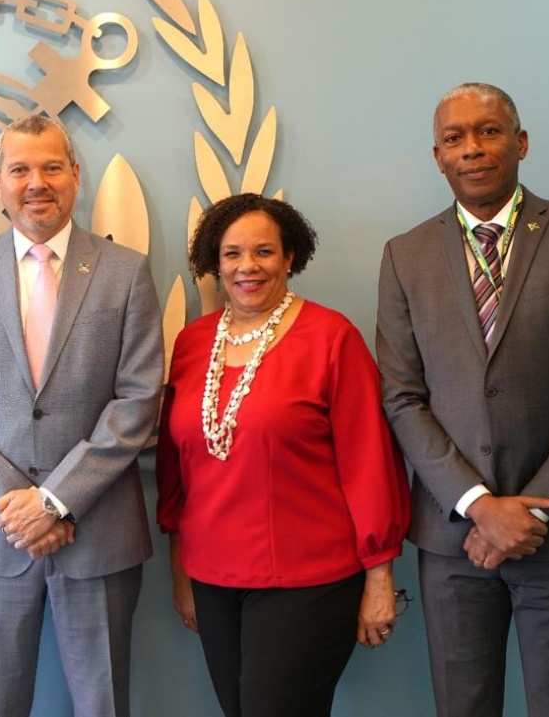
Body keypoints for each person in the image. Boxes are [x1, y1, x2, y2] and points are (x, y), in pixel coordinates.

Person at [376, 83, 549, 717]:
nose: (472, 149)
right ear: (437, 155)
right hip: (453, 538)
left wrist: (532, 512)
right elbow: (402, 396)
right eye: (454, 138)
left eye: (488, 132)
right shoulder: (405, 255)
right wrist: (478, 505)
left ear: (520, 143)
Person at [0, 114, 163, 716]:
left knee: (103, 704)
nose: (37, 182)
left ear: (75, 176)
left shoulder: (125, 272)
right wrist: (18, 506)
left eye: (52, 166)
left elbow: (137, 400)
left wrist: (55, 500)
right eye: (20, 169)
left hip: (99, 532)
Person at [157, 193, 410, 716]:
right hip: (211, 577)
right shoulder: (192, 344)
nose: (247, 267)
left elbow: (370, 463)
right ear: (214, 263)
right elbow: (175, 469)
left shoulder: (332, 339)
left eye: (264, 252)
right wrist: (181, 573)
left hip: (308, 581)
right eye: (231, 254)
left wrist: (380, 576)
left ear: (291, 256)